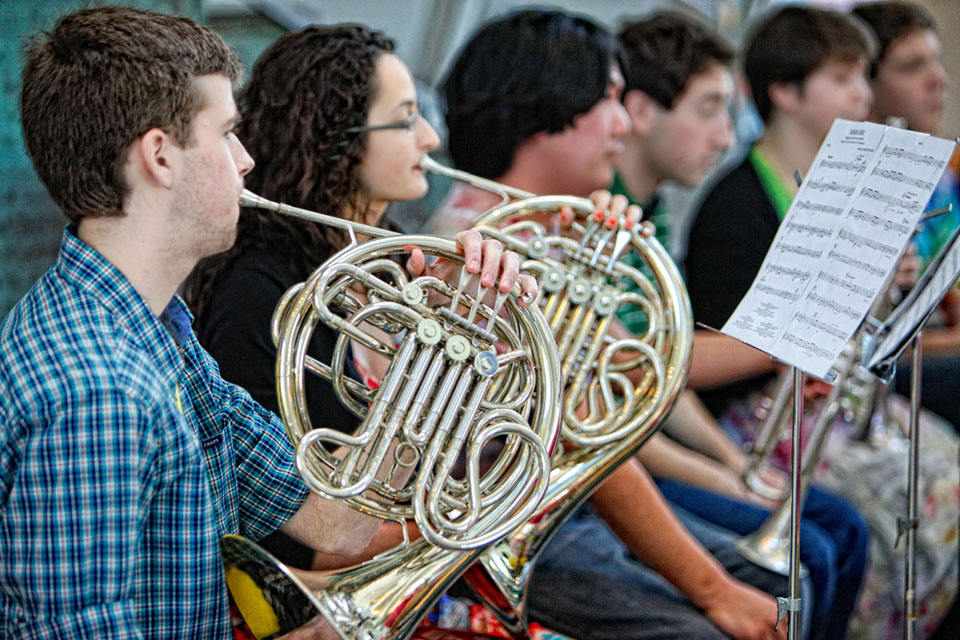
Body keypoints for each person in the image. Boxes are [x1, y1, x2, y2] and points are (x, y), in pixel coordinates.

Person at [0, 9, 527, 639]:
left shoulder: (161, 330)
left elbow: (337, 521)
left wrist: (448, 344)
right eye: (225, 134)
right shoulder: (100, 393)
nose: (247, 160)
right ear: (160, 158)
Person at [436, 9, 797, 640]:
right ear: (547, 111)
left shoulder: (549, 228)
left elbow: (626, 373)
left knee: (791, 575)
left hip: (565, 508)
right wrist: (714, 587)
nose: (624, 122)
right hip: (509, 526)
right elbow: (581, 439)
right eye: (605, 99)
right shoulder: (479, 247)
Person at [684, 5, 959, 638]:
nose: (864, 94)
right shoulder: (737, 206)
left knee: (939, 462)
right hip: (757, 410)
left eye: (865, 77)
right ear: (786, 90)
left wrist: (883, 290)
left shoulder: (836, 188)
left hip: (816, 395)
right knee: (891, 501)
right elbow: (729, 353)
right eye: (844, 79)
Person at [612, 12, 869, 639]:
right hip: (619, 477)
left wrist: (737, 468)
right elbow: (646, 379)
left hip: (664, 445)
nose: (725, 136)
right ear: (641, 112)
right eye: (708, 110)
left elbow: (657, 374)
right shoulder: (615, 212)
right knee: (814, 553)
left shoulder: (648, 214)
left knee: (841, 529)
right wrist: (731, 473)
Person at [852, 0, 960, 435]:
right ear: (868, 84)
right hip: (879, 373)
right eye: (913, 66)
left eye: (936, 61)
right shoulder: (859, 178)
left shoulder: (945, 175)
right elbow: (870, 344)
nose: (939, 79)